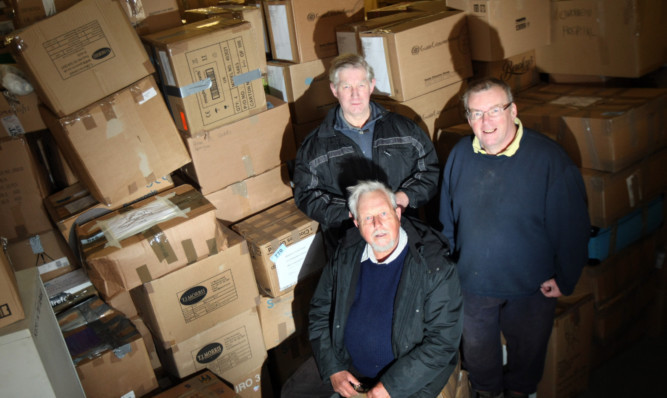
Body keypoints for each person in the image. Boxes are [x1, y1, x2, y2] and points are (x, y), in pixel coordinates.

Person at [438, 78, 590, 398]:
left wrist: (567, 277)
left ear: (513, 110)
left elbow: (573, 225)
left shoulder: (549, 159)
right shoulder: (460, 156)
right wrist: (454, 269)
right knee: (480, 364)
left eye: (494, 110)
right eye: (476, 113)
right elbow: (447, 219)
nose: (486, 121)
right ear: (468, 118)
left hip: (531, 287)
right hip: (474, 287)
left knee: (526, 363)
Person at [281, 180, 463, 398]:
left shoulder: (435, 266)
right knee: (293, 392)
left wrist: (389, 387)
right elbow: (320, 310)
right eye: (368, 218)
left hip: (407, 378)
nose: (378, 224)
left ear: (397, 213)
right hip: (347, 364)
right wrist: (333, 368)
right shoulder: (345, 256)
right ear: (356, 222)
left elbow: (442, 343)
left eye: (384, 214)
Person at [292, 53, 439, 253]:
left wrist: (403, 198)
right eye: (346, 87)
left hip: (405, 236)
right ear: (334, 90)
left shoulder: (405, 130)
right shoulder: (314, 146)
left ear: (371, 85)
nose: (355, 95)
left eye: (361, 85)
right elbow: (306, 195)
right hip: (349, 246)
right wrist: (355, 211)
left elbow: (429, 170)